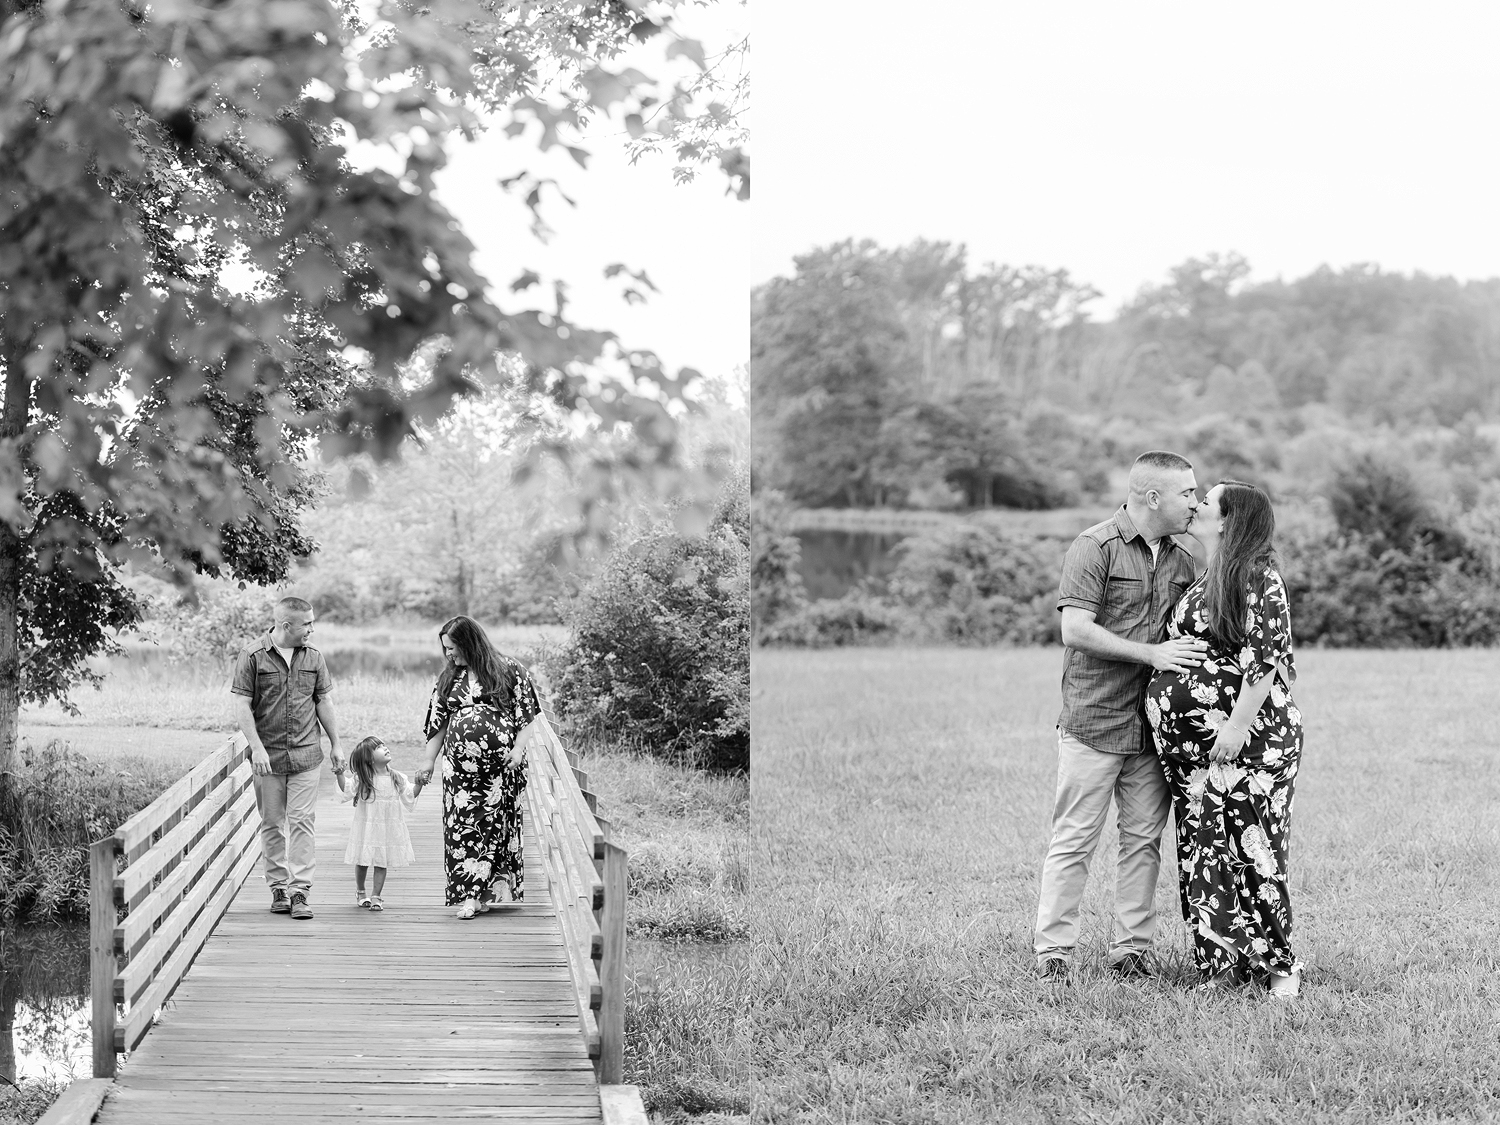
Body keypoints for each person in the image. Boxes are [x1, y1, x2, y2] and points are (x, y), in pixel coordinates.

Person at [1034, 450, 1207, 982]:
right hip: (1095, 720)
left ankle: (1131, 951)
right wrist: (1151, 653)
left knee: (1142, 842)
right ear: (1153, 497)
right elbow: (1076, 631)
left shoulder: (1183, 559)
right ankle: (1054, 955)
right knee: (1075, 840)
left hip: (1152, 730)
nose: (1195, 504)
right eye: (1187, 494)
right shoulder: (1095, 547)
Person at [1144, 480, 1305, 998]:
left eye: (1205, 503)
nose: (1195, 507)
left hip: (1250, 743)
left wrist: (1234, 727)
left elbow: (1266, 659)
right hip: (1194, 754)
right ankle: (1219, 965)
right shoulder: (1210, 574)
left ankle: (1280, 966)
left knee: (1253, 848)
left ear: (1229, 520)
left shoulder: (1261, 575)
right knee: (1203, 848)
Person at [414, 616, 546, 920]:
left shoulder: (509, 669)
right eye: (445, 648)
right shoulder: (449, 678)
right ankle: (469, 895)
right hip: (459, 772)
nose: (448, 654)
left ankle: (484, 893)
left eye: (453, 647)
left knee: (495, 828)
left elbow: (525, 716)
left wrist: (517, 749)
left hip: (500, 769)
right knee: (461, 829)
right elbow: (438, 723)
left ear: (469, 642)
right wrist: (427, 761)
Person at [233, 596, 343, 920]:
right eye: (307, 623)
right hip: (267, 758)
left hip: (307, 755)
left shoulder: (314, 656)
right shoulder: (252, 655)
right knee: (271, 823)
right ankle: (278, 888)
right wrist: (256, 747)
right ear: (286, 626)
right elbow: (241, 704)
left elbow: (324, 700)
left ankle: (299, 892)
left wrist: (336, 743)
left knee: (302, 822)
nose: (312, 628)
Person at [334, 736, 417, 911]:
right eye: (379, 747)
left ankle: (376, 895)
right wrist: (340, 773)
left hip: (387, 826)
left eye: (383, 744)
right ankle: (361, 891)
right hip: (367, 826)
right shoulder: (363, 779)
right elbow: (346, 790)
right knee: (362, 860)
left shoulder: (397, 777)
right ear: (370, 759)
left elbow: (410, 794)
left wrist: (421, 783)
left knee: (381, 861)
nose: (385, 747)